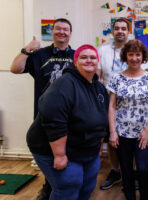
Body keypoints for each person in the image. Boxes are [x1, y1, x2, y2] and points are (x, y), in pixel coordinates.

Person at [26, 44, 109, 200]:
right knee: (69, 186)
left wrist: (98, 145)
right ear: (75, 61)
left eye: (93, 57)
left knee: (88, 186)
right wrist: (59, 155)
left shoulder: (98, 88)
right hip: (53, 148)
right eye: (84, 57)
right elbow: (53, 120)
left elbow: (101, 119)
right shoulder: (64, 84)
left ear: (98, 62)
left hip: (86, 148)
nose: (89, 60)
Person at [10, 18, 75, 200]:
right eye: (58, 29)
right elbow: (15, 69)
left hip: (70, 113)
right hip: (44, 114)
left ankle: (67, 184)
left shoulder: (77, 56)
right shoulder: (39, 55)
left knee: (67, 149)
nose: (62, 32)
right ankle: (48, 186)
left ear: (70, 33)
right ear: (52, 32)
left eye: (66, 29)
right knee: (47, 151)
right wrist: (27, 49)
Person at [97, 18, 148, 190]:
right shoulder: (102, 50)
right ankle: (115, 171)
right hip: (108, 103)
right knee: (113, 139)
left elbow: (145, 77)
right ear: (112, 31)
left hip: (132, 105)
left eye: (123, 28)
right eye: (117, 28)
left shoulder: (137, 49)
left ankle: (131, 172)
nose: (120, 31)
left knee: (133, 140)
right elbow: (97, 78)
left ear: (129, 31)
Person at [107, 39, 148, 200]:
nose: (134, 58)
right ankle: (130, 196)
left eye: (138, 54)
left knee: (143, 168)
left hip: (142, 133)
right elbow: (112, 106)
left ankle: (144, 196)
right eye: (130, 54)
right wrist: (112, 131)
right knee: (126, 168)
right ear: (125, 56)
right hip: (122, 132)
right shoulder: (117, 78)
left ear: (143, 56)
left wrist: (147, 131)